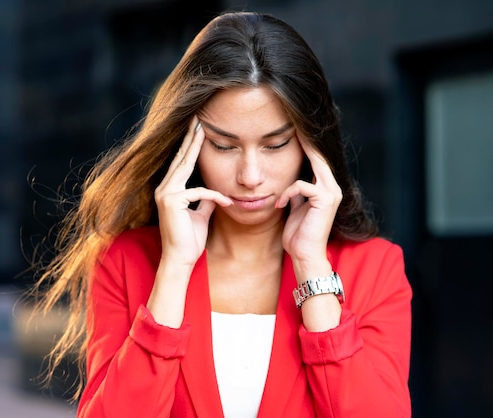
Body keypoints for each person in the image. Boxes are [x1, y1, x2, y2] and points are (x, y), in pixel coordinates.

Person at [31, 10, 412, 418]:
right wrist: (174, 268)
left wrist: (311, 267)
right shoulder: (126, 261)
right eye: (224, 145)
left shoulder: (375, 269)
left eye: (276, 144)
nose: (250, 177)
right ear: (187, 146)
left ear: (310, 144)